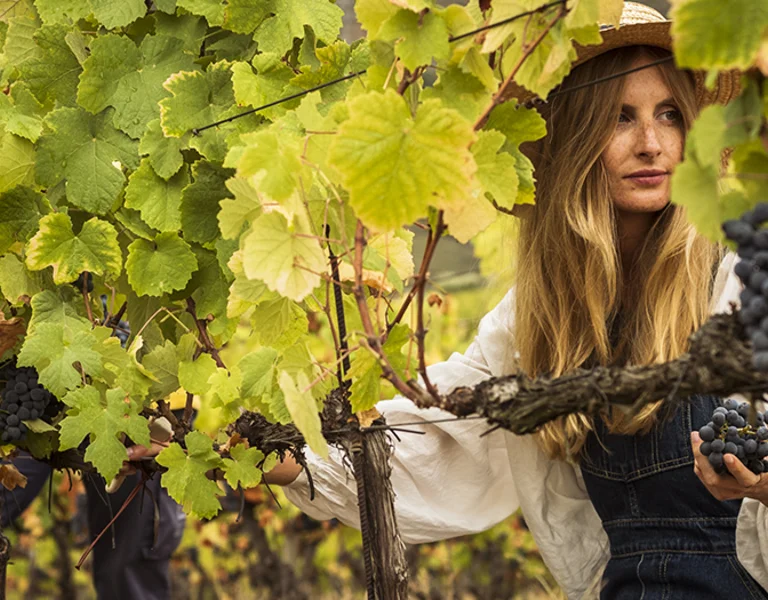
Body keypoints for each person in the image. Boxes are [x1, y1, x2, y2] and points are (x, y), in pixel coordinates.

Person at [126, 2, 765, 597]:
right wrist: (272, 454)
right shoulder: (542, 316)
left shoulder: (741, 283)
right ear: (572, 136)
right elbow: (438, 437)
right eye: (620, 117)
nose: (651, 143)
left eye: (669, 114)